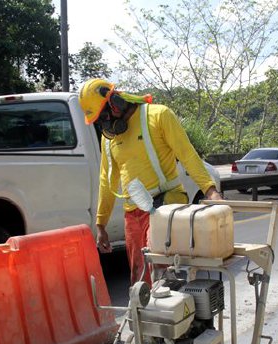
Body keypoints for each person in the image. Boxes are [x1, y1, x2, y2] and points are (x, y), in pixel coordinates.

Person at [78, 78, 224, 285]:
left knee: (161, 274)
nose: (105, 124)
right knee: (139, 279)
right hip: (133, 214)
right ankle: (145, 315)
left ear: (115, 102)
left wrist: (210, 191)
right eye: (100, 121)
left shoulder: (158, 115)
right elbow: (106, 182)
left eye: (104, 116)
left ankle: (174, 311)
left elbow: (187, 155)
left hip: (164, 205)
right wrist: (101, 225)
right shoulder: (109, 140)